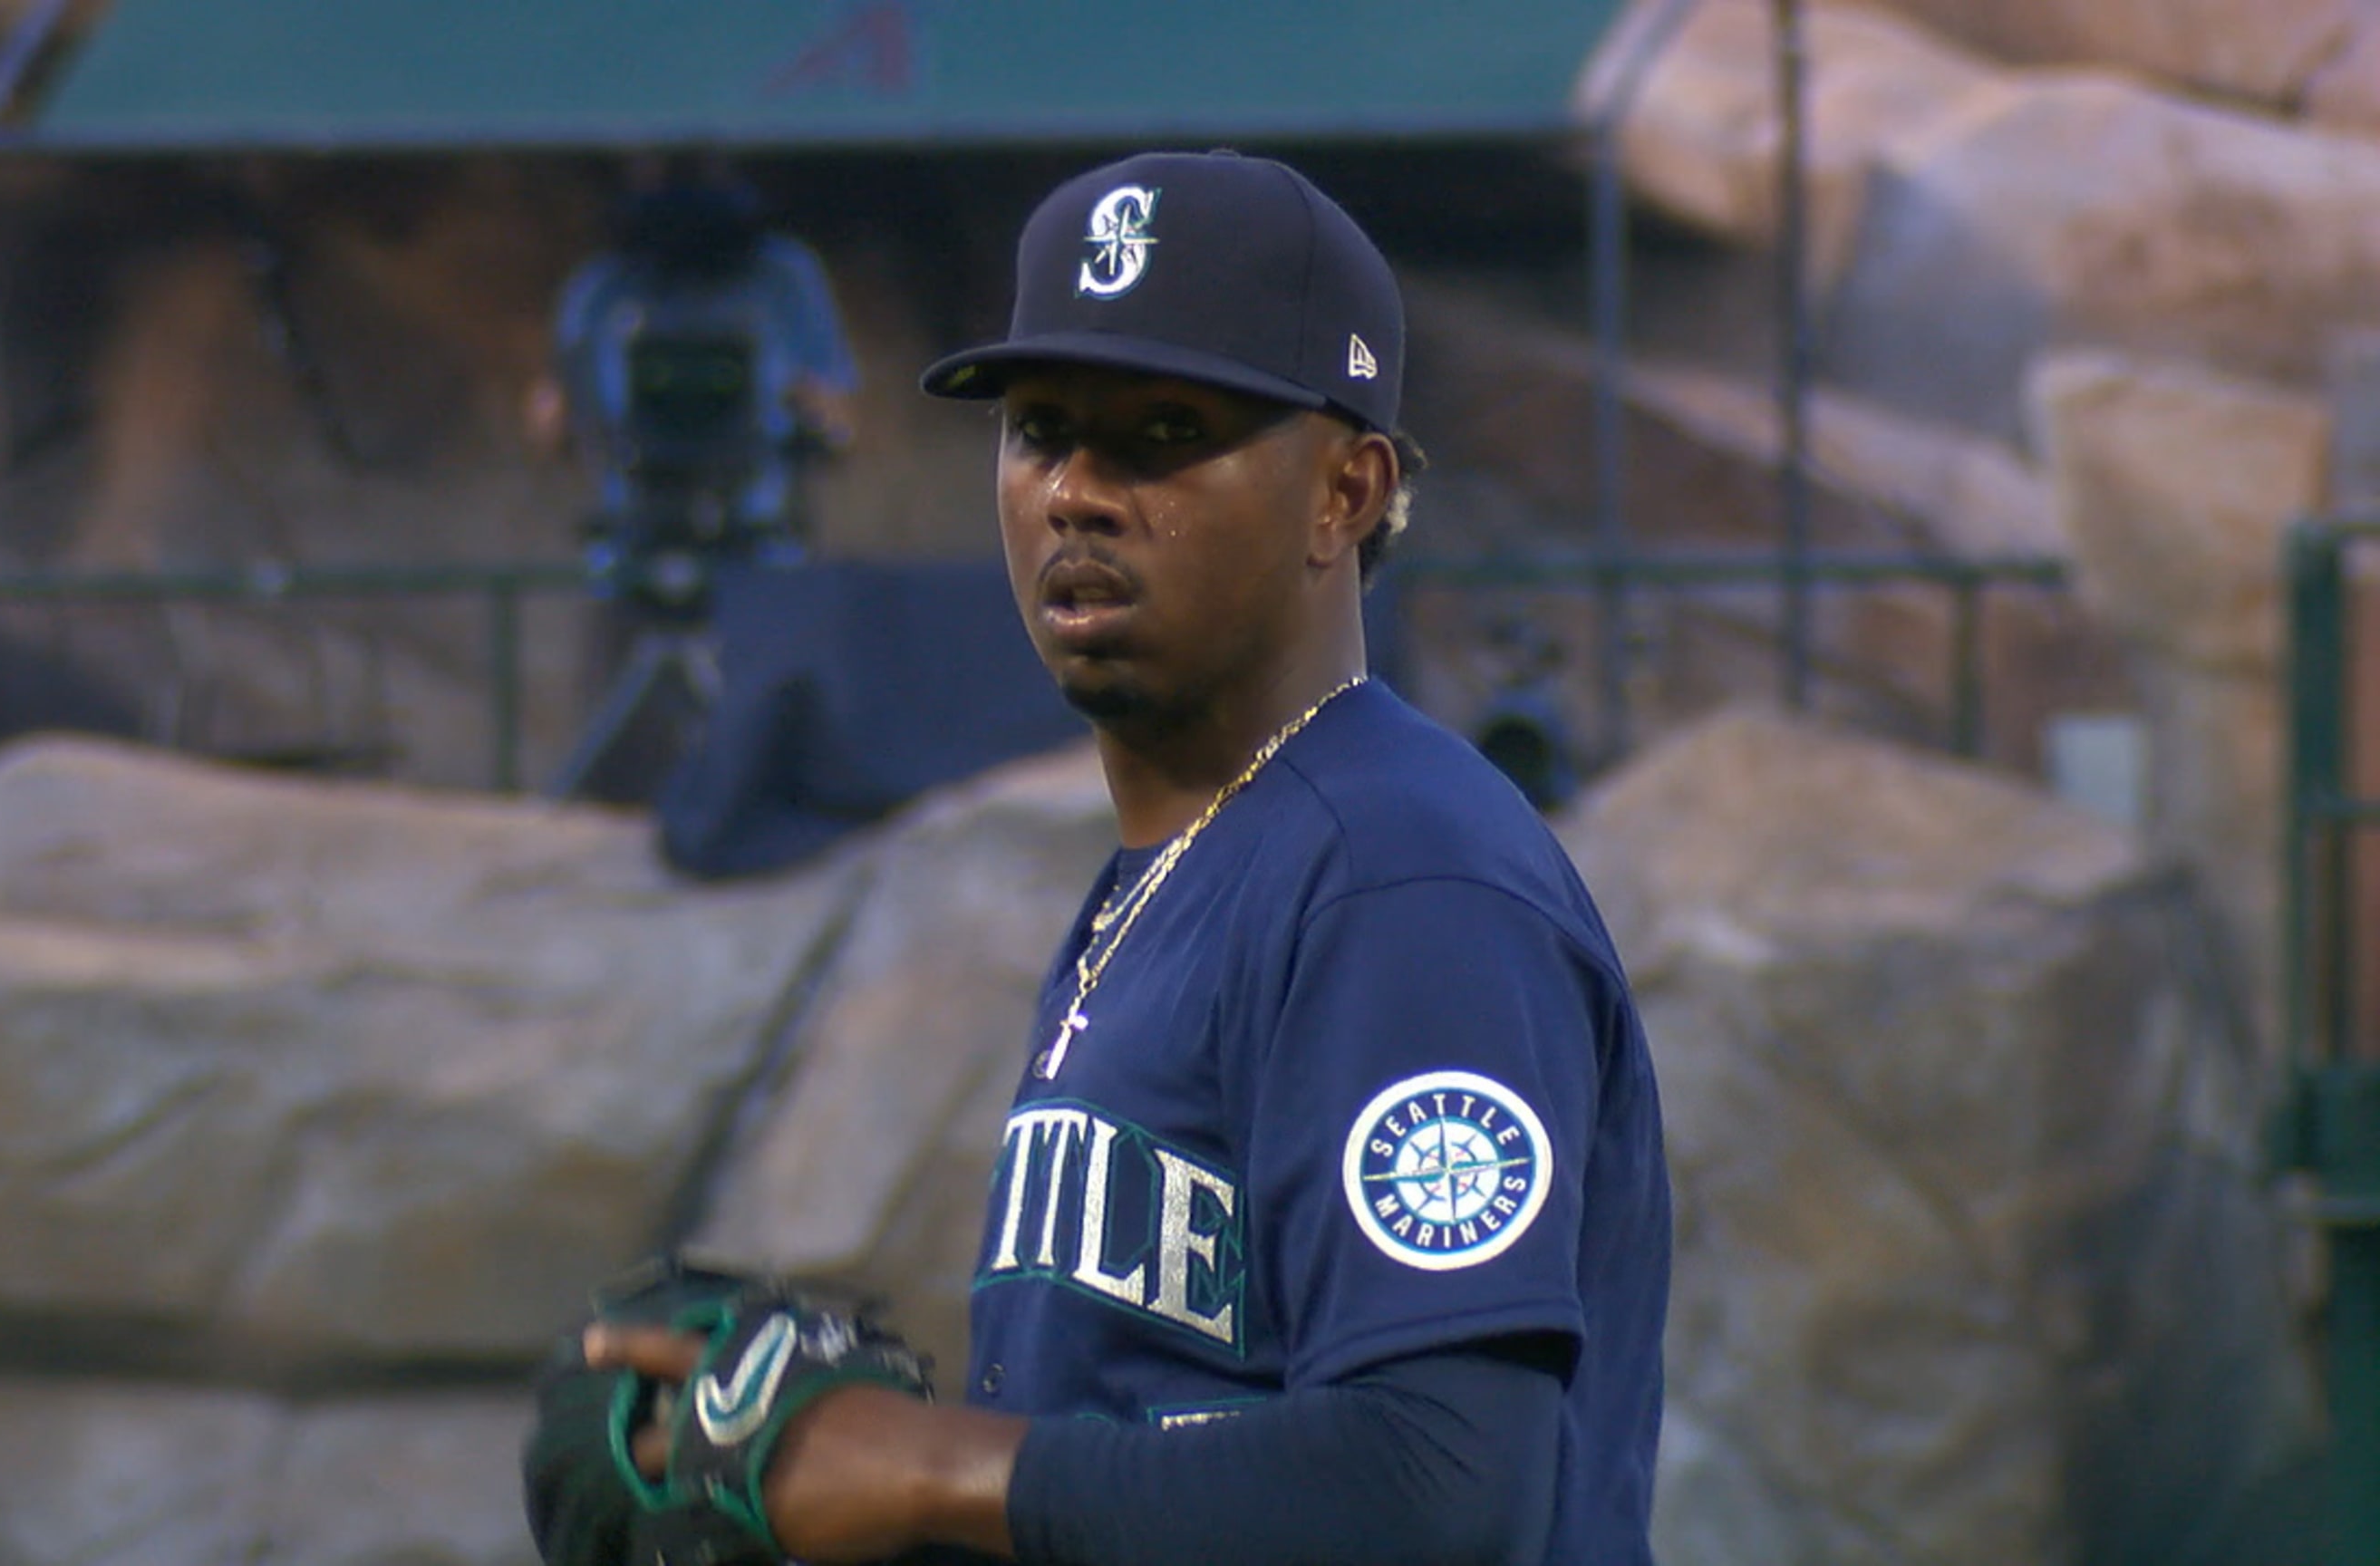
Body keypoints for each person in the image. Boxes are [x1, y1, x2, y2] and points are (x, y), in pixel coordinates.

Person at [586, 150, 1670, 1565]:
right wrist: (843, 1484)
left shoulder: (1400, 882)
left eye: (1163, 432)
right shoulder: (1168, 878)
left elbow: (1442, 1485)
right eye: (1043, 429)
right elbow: (1156, 1457)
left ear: (1345, 493)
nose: (1079, 492)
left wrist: (924, 1470)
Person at [527, 150, 860, 603]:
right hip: (636, 539)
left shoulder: (781, 276)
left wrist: (801, 417)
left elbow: (840, 422)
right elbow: (552, 424)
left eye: (699, 169)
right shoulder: (604, 288)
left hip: (756, 538)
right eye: (661, 170)